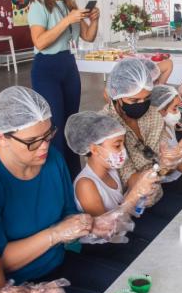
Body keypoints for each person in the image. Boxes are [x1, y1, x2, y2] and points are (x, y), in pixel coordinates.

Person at [0, 87, 126, 293]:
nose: (44, 147)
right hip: (15, 289)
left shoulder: (53, 159)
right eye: (32, 141)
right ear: (2, 137)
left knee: (126, 285)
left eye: (48, 135)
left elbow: (68, 213)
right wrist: (55, 234)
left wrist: (88, 225)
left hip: (58, 263)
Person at [28, 0, 100, 179]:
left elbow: (87, 36)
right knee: (55, 127)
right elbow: (39, 42)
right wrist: (66, 21)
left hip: (68, 65)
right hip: (47, 68)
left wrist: (94, 20)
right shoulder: (38, 6)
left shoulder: (69, 4)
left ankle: (73, 177)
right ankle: (56, 179)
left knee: (71, 124)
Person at [101, 58, 182, 225]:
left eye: (146, 99)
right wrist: (164, 166)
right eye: (134, 101)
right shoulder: (106, 127)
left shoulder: (152, 115)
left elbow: (161, 157)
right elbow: (130, 179)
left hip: (157, 194)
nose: (142, 105)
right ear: (117, 95)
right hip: (128, 211)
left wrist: (177, 155)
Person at [65, 111, 162, 258]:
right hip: (102, 249)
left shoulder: (112, 171)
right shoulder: (86, 184)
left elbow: (125, 207)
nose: (123, 150)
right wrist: (135, 194)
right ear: (95, 149)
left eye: (123, 144)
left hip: (123, 234)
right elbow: (107, 230)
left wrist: (142, 196)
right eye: (117, 145)